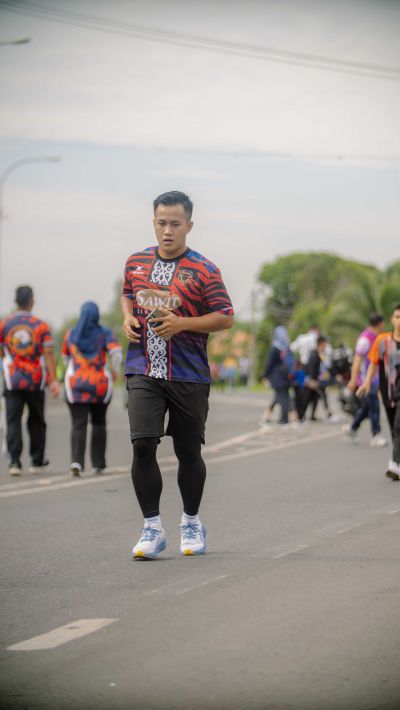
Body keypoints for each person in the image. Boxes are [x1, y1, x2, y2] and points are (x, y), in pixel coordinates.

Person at [121, 191, 234, 559]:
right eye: (161, 223)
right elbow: (127, 293)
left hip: (188, 374)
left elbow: (225, 316)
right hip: (143, 368)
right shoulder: (136, 262)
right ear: (153, 223)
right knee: (142, 444)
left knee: (188, 453)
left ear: (189, 225)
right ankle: (152, 528)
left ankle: (191, 521)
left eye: (175, 224)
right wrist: (127, 316)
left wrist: (182, 323)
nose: (167, 230)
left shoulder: (204, 269)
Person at [0, 285, 59, 475]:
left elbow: (2, 351)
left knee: (12, 421)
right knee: (37, 420)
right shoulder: (41, 325)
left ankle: (14, 462)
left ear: (16, 301)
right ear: (32, 301)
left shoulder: (5, 324)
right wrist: (53, 380)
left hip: (12, 380)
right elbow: (48, 353)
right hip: (35, 380)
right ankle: (37, 460)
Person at [61, 301, 122, 477]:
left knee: (78, 424)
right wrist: (115, 371)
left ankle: (77, 462)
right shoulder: (104, 333)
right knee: (99, 423)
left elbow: (65, 358)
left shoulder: (71, 334)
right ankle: (98, 463)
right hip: (100, 385)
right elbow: (116, 353)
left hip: (76, 385)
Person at [358, 304, 400, 480]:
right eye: (397, 317)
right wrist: (366, 383)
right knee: (394, 429)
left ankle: (394, 464)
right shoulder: (382, 341)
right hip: (388, 392)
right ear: (391, 319)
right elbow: (373, 363)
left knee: (398, 426)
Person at [345, 312, 387, 447]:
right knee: (374, 406)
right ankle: (376, 435)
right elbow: (357, 361)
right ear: (380, 324)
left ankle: (353, 427)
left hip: (374, 378)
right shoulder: (365, 339)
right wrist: (353, 380)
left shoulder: (376, 337)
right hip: (366, 380)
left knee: (367, 407)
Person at [263, 326, 294, 425]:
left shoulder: (275, 348)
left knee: (281, 398)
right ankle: (270, 416)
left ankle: (284, 419)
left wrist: (265, 375)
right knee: (283, 396)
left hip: (277, 376)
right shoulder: (287, 347)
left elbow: (269, 363)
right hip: (287, 376)